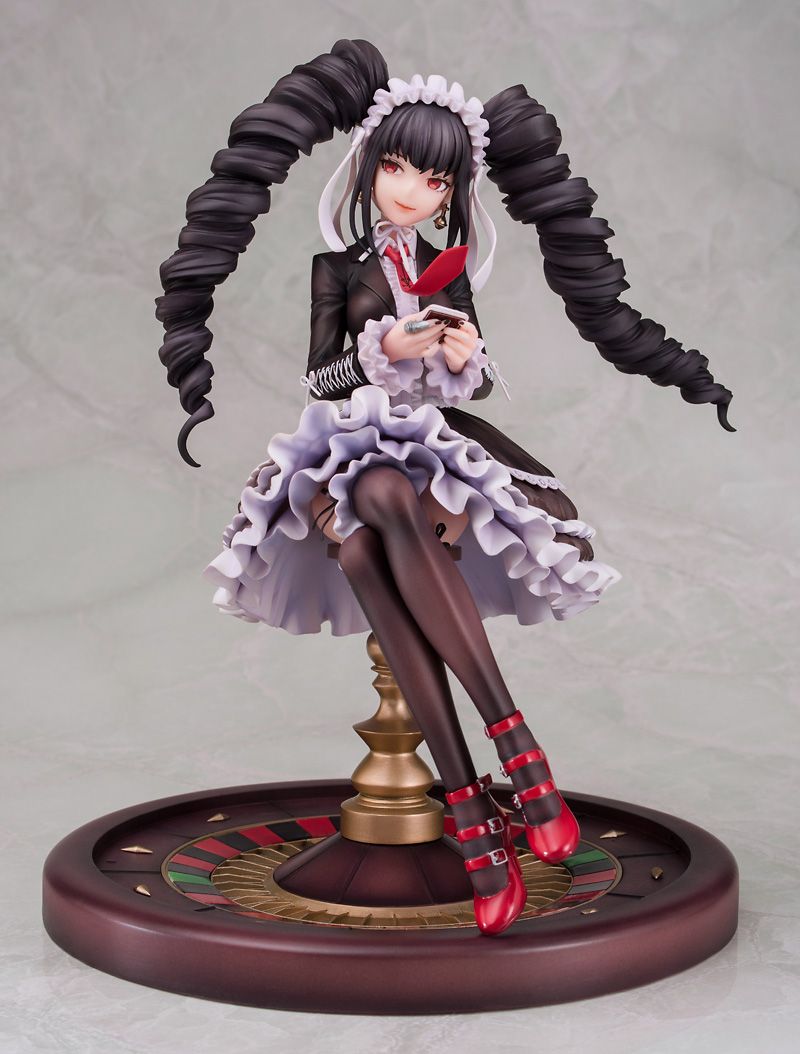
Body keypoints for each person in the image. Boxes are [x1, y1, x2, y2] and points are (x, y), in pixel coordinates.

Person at [155, 40, 733, 935]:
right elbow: (319, 376)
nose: (411, 191)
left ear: (454, 192)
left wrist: (463, 354)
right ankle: (516, 758)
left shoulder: (447, 266)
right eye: (396, 168)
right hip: (347, 443)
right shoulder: (338, 268)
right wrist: (382, 349)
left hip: (433, 447)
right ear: (368, 164)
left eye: (434, 180)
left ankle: (472, 810)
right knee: (370, 510)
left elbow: (476, 385)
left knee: (371, 536)